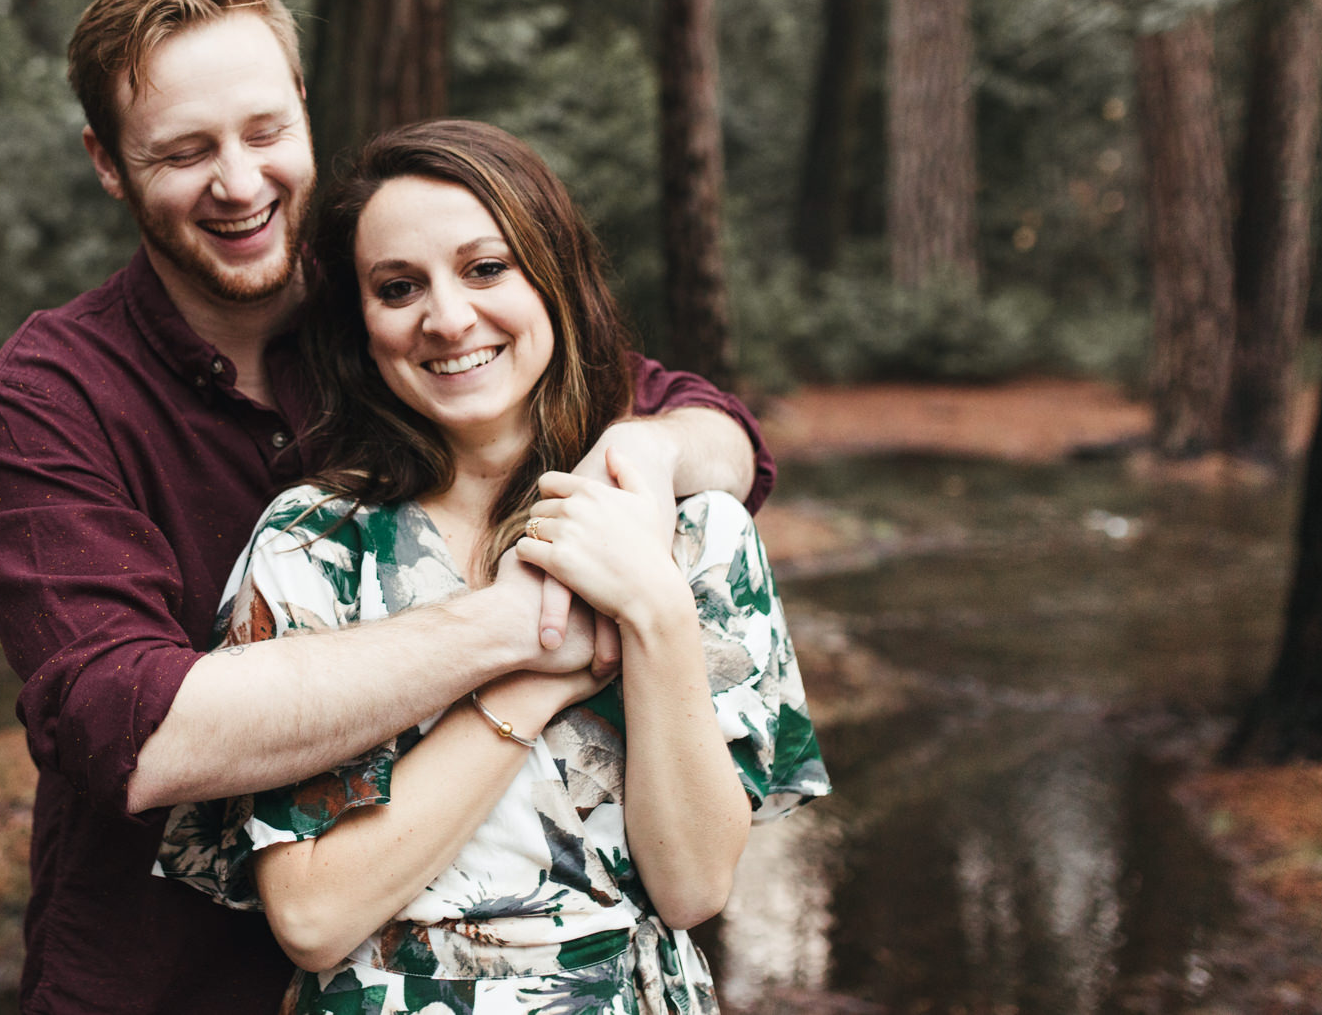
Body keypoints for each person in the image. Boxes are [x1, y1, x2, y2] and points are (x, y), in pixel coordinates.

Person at [0, 0, 776, 1014]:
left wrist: (656, 461)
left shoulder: (397, 311)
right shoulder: (51, 391)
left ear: (304, 109)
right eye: (182, 151)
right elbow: (129, 726)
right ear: (107, 164)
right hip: (165, 975)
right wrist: (524, 632)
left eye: (262, 132)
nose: (238, 182)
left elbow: (711, 431)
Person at [157, 120, 828, 1011]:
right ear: (362, 324)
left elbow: (693, 887)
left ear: (553, 278)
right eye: (399, 287)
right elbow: (313, 915)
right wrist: (533, 679)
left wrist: (657, 614)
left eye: (485, 268)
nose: (447, 317)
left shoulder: (695, 529)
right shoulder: (312, 546)